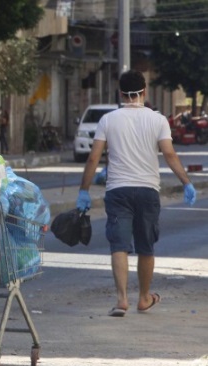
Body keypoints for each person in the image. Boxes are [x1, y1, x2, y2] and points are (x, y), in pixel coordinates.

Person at [76, 70, 196, 318]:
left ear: (121, 94)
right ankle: (144, 297)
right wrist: (186, 182)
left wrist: (83, 190)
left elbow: (93, 157)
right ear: (144, 92)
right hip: (148, 191)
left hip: (118, 191)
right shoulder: (158, 120)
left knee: (118, 245)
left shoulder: (108, 120)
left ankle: (121, 300)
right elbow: (170, 155)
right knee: (145, 246)